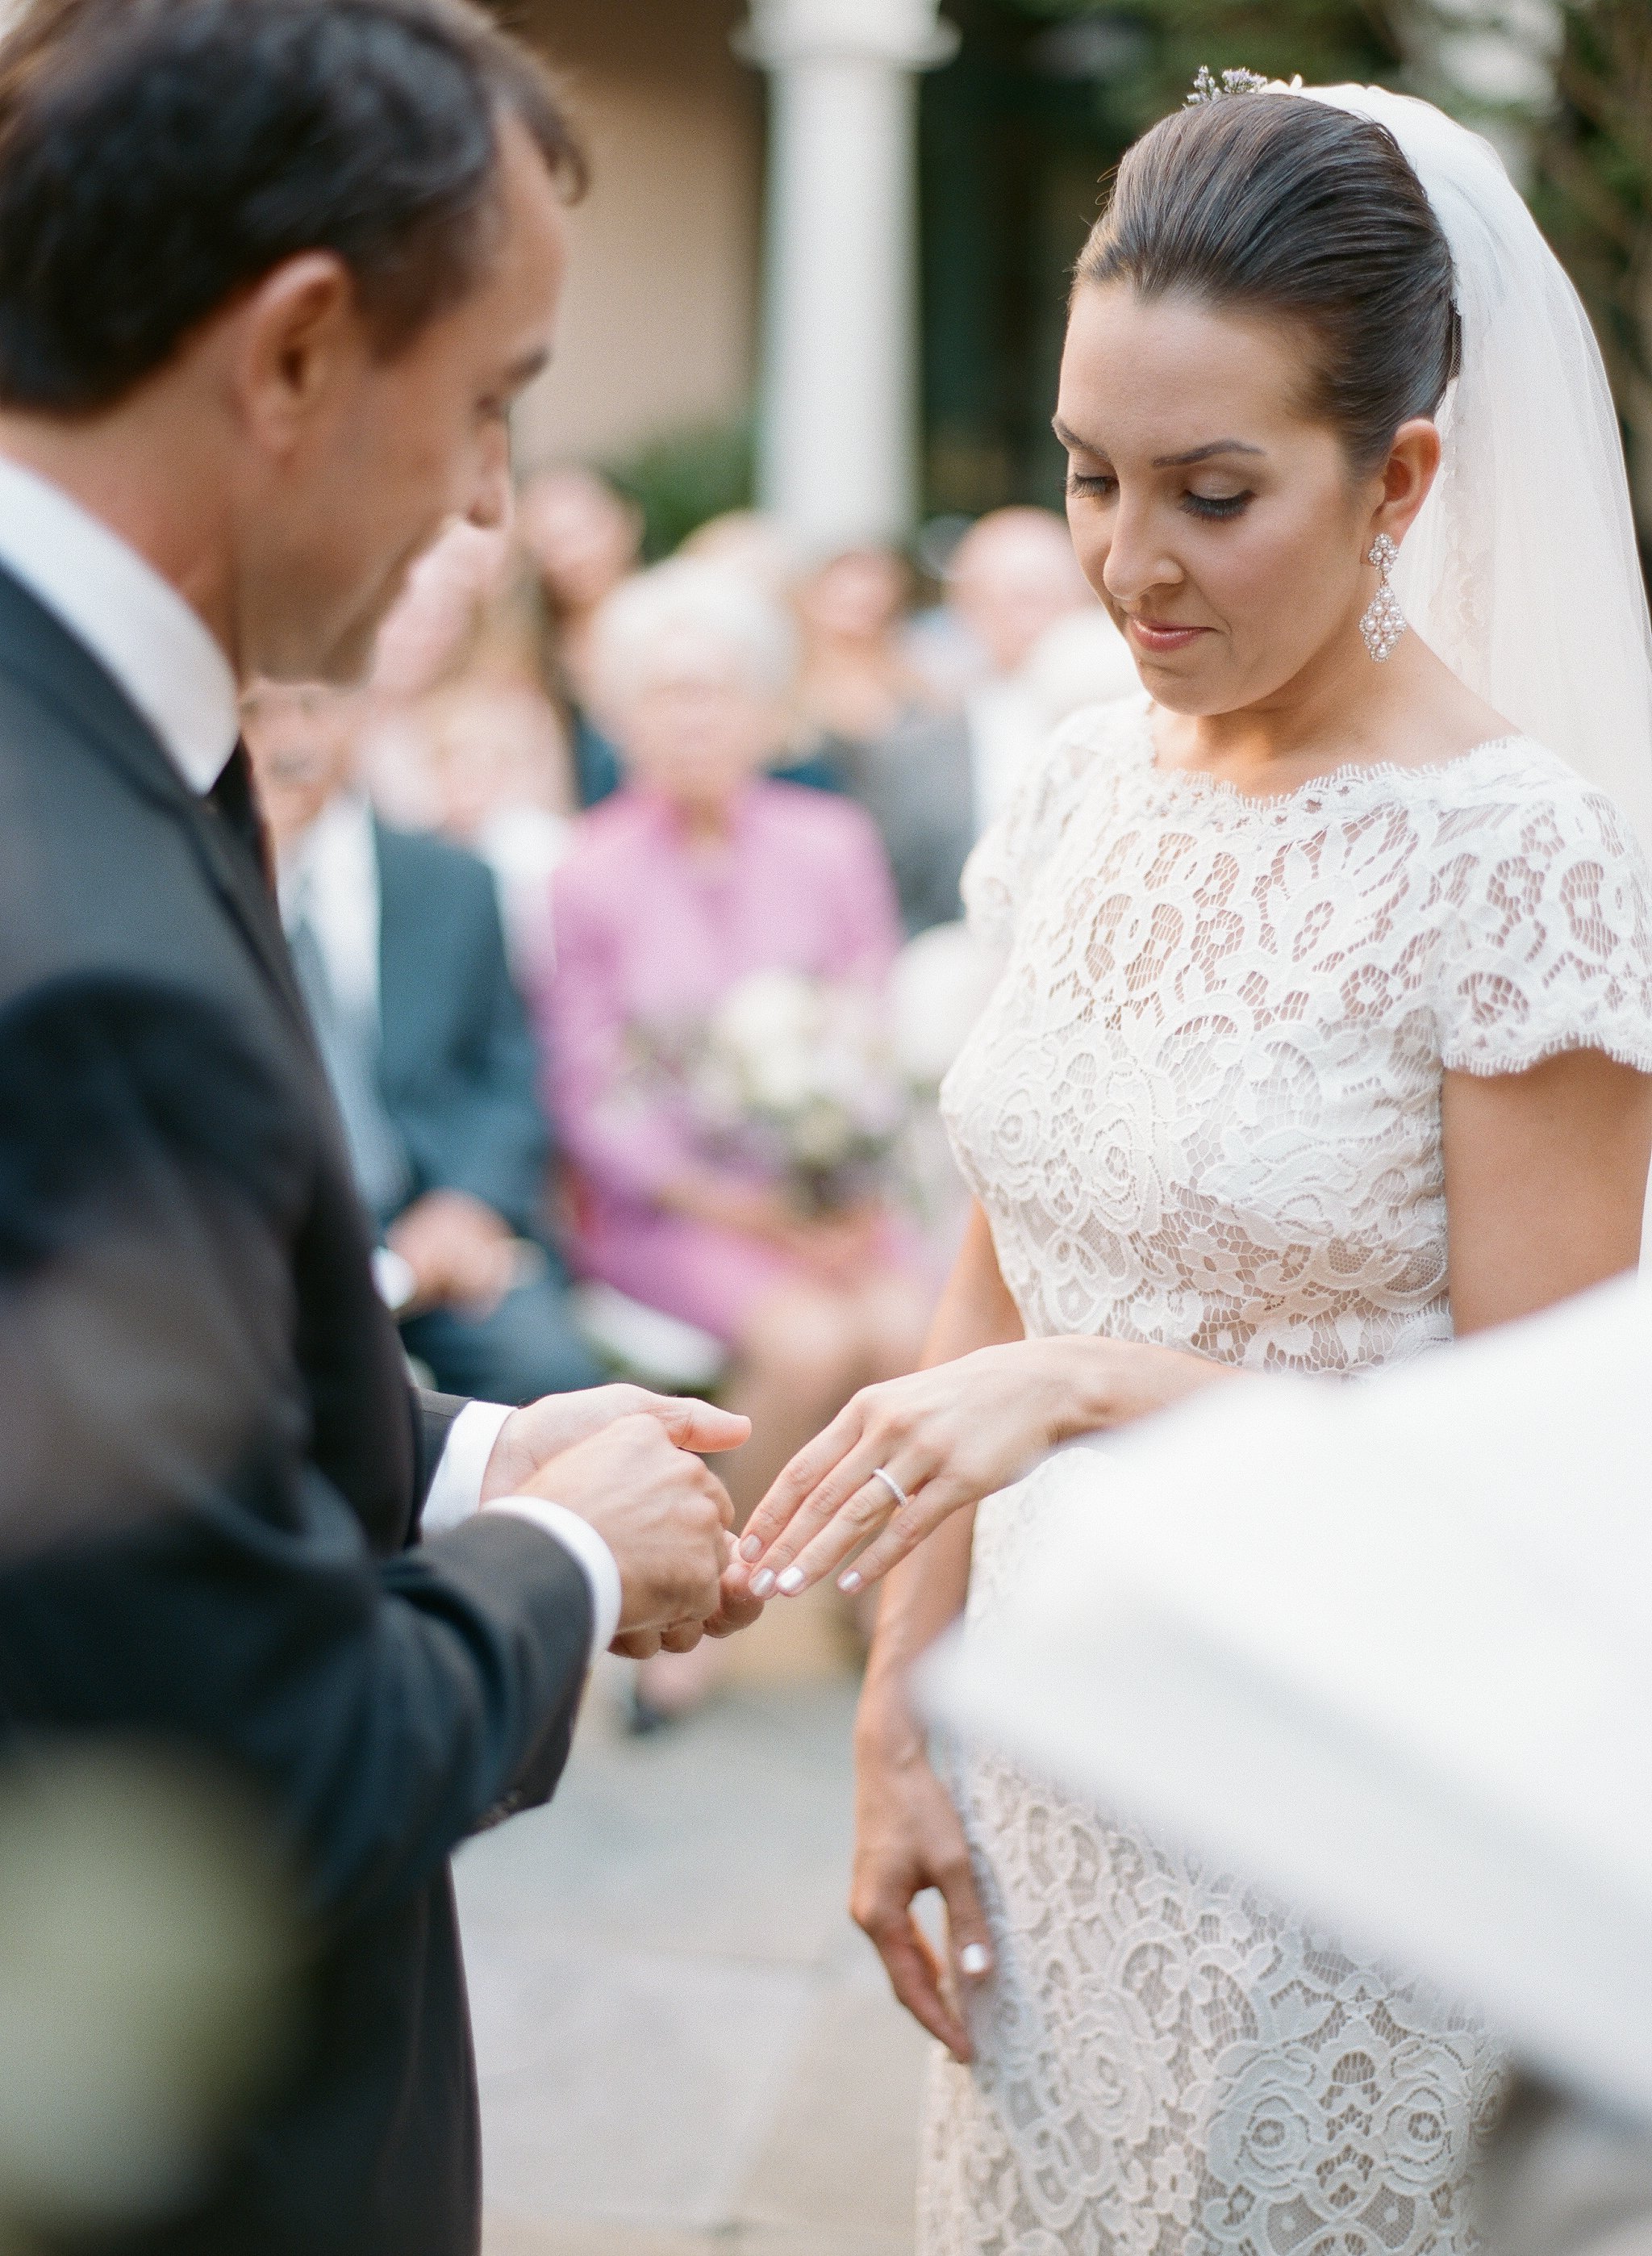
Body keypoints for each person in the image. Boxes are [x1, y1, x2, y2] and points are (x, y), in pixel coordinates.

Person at [736, 79, 1652, 2253]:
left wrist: (1093, 1388)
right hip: (1048, 1788)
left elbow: (1537, 1507)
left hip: (1341, 1846)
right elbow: (1000, 1248)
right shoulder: (1079, 785)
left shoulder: (1513, 865)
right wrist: (897, 1710)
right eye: (1090, 476)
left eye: (1213, 493)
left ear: (1401, 474)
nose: (1130, 561)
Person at [0, 6, 761, 2254]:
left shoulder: (113, 749)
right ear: (301, 353)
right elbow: (242, 1769)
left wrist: (452, 1452)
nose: (497, 501)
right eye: (499, 400)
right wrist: (580, 1552)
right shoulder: (88, 946)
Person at [539, 558, 930, 1531]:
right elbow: (588, 1095)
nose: (691, 720)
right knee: (806, 1345)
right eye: (664, 697)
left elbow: (870, 1033)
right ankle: (723, 1579)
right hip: (671, 1210)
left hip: (832, 1198)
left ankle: (862, 1588)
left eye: (715, 694)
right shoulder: (587, 870)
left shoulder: (831, 840)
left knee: (905, 1329)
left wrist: (842, 1189)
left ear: (764, 711)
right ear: (623, 719)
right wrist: (737, 1207)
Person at [244, 682, 601, 1406]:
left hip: (432, 1233)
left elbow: (510, 1071)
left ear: (361, 711)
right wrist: (250, 868)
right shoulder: (196, 883)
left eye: (313, 707)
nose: (290, 741)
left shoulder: (450, 880)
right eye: (260, 713)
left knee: (547, 1376)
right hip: (263, 1244)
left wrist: (469, 1204)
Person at [850, 507, 1103, 934]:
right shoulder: (908, 749)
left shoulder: (1151, 724)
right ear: (965, 609)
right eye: (1007, 600)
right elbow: (892, 904)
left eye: (1047, 597)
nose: (1028, 619)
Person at [517, 462, 643, 807]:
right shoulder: (530, 652)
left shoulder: (680, 624)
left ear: (627, 523)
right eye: (550, 540)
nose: (571, 554)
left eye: (582, 531)